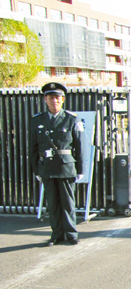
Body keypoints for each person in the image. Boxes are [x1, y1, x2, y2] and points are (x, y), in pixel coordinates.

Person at [30, 82, 84, 246]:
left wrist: (80, 170)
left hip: (65, 167)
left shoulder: (71, 119)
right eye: (51, 97)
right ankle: (56, 234)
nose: (54, 100)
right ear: (45, 99)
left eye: (57, 97)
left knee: (68, 203)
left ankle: (71, 234)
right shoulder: (37, 120)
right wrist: (36, 170)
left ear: (63, 99)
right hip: (47, 167)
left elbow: (79, 146)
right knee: (52, 204)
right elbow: (33, 148)